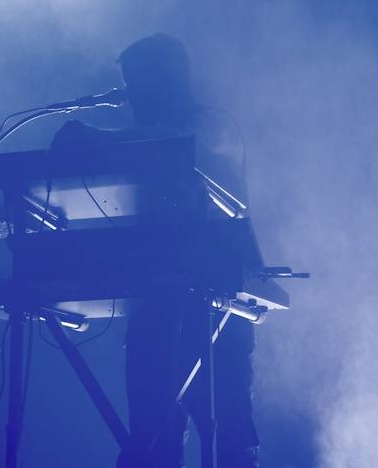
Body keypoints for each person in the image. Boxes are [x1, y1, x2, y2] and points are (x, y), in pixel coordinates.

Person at [52, 33, 259, 468]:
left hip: (216, 305)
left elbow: (176, 146)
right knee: (153, 443)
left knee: (230, 440)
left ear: (168, 80)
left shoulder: (213, 126)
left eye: (137, 85)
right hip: (156, 303)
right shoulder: (145, 143)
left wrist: (95, 138)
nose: (131, 99)